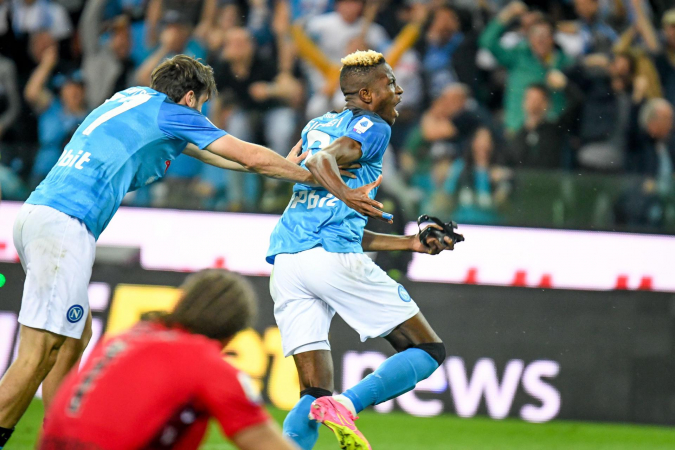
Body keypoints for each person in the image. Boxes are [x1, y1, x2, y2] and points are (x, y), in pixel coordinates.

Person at [0, 54, 369, 448]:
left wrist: (270, 165)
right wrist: (316, 177)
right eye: (203, 106)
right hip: (65, 227)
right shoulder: (173, 113)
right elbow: (245, 153)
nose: (201, 116)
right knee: (37, 352)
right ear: (190, 98)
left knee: (75, 336)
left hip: (36, 216)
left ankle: (60, 433)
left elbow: (214, 153)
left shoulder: (132, 98)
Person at [266, 50, 457, 450]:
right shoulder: (372, 126)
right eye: (390, 83)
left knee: (313, 392)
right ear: (367, 95)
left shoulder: (317, 124)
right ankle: (348, 405)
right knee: (427, 349)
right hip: (330, 257)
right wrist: (348, 195)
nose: (399, 90)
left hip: (287, 261)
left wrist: (408, 244)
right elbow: (322, 162)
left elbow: (301, 172)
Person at [38, 269, 298, 450]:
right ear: (232, 335)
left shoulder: (123, 338)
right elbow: (265, 442)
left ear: (181, 302)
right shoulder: (206, 364)